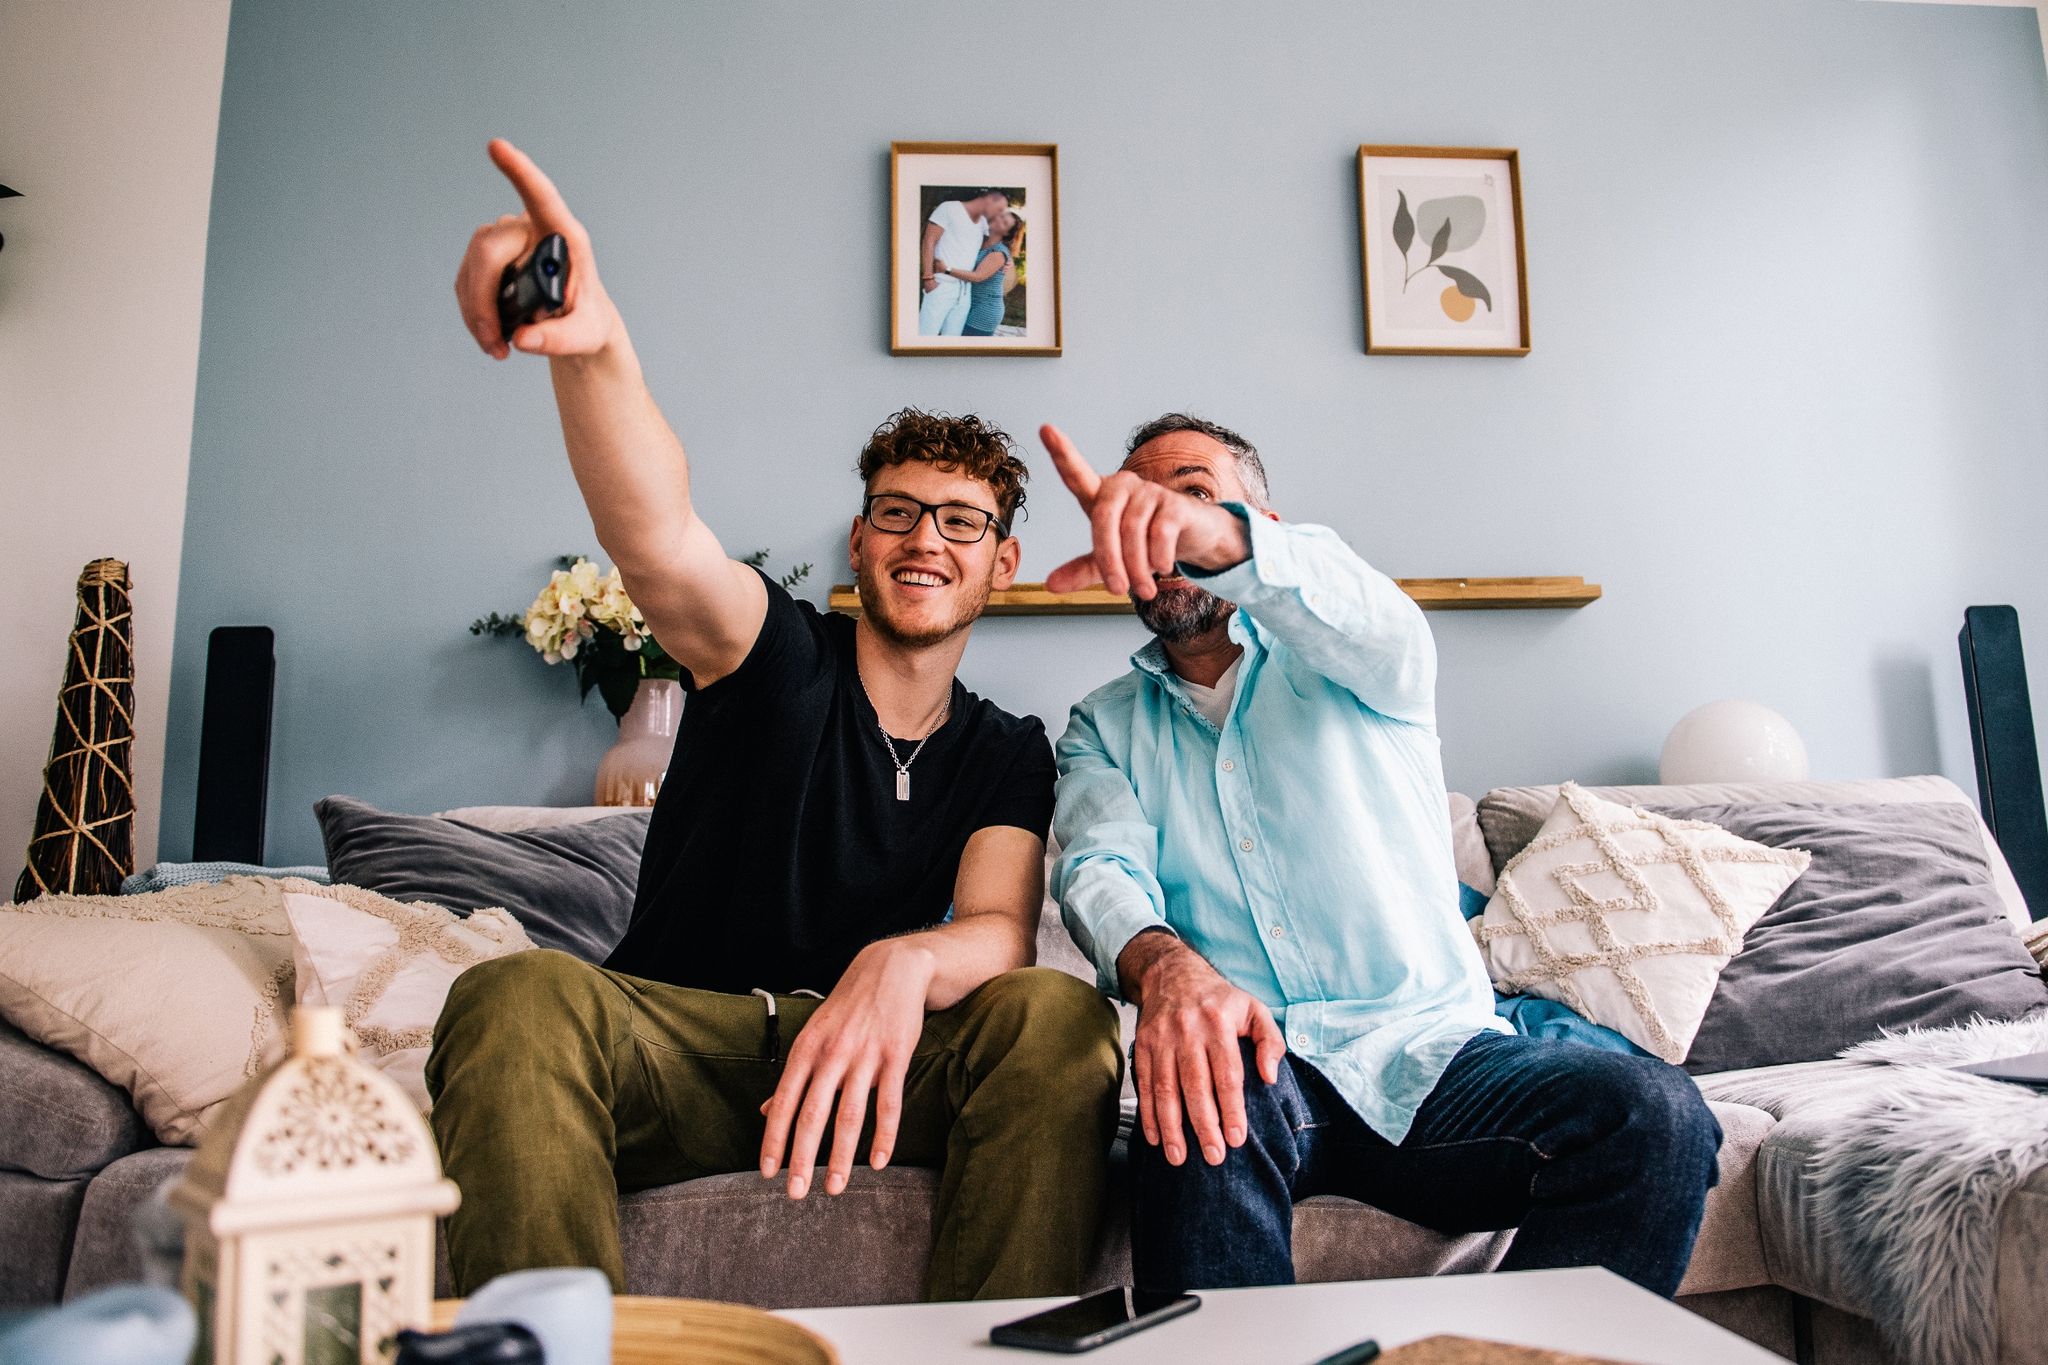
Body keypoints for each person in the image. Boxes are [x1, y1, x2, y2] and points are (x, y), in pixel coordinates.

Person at [431, 139, 1121, 1303]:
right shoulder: (776, 654)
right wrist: (594, 346)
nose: (924, 540)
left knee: (1055, 1015)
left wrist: (899, 963)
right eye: (896, 512)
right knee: (513, 991)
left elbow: (1000, 927)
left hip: (877, 1063)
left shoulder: (1006, 748)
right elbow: (657, 536)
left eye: (959, 523)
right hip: (679, 1043)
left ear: (1000, 563)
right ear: (858, 544)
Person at [1042, 413, 1723, 1298]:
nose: (1164, 523)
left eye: (1194, 496)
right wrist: (1167, 969)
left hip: (1439, 1057)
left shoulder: (1373, 660)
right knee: (1198, 1099)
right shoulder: (1102, 724)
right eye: (1144, 502)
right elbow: (1100, 865)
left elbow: (1357, 604)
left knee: (1659, 1117)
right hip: (1261, 1066)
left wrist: (1217, 540)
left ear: (1265, 531)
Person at [919, 188, 1009, 337]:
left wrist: (1008, 260)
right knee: (926, 336)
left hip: (965, 290)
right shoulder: (949, 208)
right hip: (941, 285)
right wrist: (928, 277)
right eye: (999, 209)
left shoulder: (983, 223)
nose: (999, 214)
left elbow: (993, 247)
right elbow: (929, 240)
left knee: (952, 341)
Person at [945, 209, 1024, 338]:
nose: (999, 220)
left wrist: (946, 269)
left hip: (985, 311)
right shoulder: (981, 239)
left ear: (1007, 233)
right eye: (1001, 217)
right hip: (968, 304)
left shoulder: (998, 252)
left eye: (1004, 223)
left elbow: (977, 277)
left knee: (967, 352)